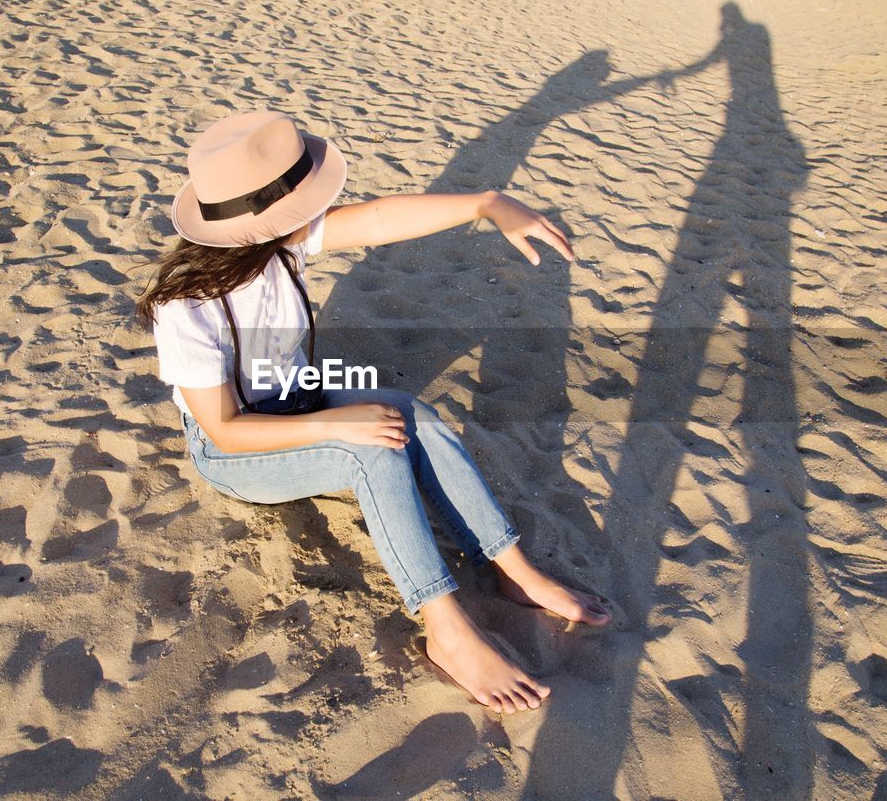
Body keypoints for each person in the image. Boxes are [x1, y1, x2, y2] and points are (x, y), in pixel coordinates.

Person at [136, 110, 610, 715]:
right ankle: (447, 629)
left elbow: (382, 218)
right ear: (263, 225)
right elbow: (223, 430)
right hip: (236, 448)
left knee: (415, 416)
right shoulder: (189, 307)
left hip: (299, 394)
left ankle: (513, 568)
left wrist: (487, 204)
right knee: (373, 451)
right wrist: (338, 424)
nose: (316, 216)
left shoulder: (279, 244)